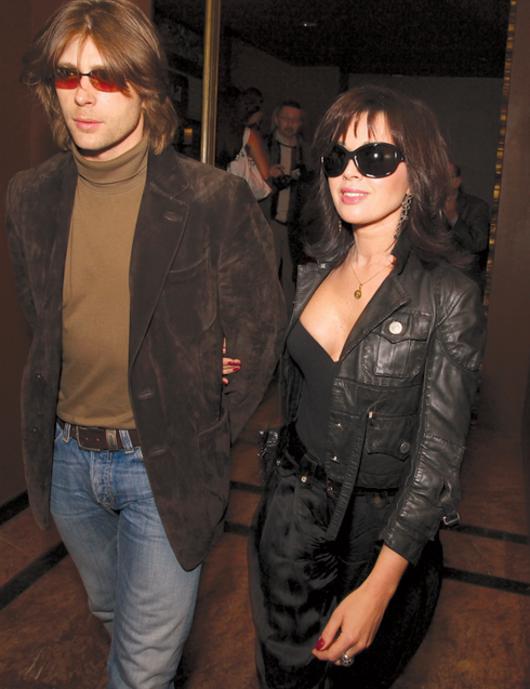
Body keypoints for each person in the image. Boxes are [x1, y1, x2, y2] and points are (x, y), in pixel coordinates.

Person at [5, 2, 284, 688]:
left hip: (165, 467)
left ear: (147, 87)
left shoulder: (212, 199)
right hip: (67, 463)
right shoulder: (29, 195)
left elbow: (257, 334)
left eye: (107, 76)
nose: (84, 95)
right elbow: (42, 317)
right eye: (68, 75)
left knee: (141, 668)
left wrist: (202, 411)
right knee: (112, 611)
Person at [249, 85, 485, 689]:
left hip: (377, 534)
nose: (349, 172)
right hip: (290, 515)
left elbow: (436, 460)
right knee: (280, 677)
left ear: (418, 170)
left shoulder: (448, 296)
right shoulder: (313, 270)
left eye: (375, 157)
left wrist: (379, 587)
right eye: (337, 157)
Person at [266, 100, 314, 312]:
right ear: (276, 119)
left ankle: (287, 320)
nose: (290, 124)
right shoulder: (264, 147)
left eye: (295, 120)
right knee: (267, 272)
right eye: (286, 118)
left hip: (296, 225)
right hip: (268, 220)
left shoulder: (306, 152)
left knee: (293, 277)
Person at [444, 161, 490, 292]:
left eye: (445, 176)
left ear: (457, 182)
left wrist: (453, 218)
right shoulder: (427, 205)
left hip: (463, 280)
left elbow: (479, 244)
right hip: (430, 278)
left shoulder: (476, 206)